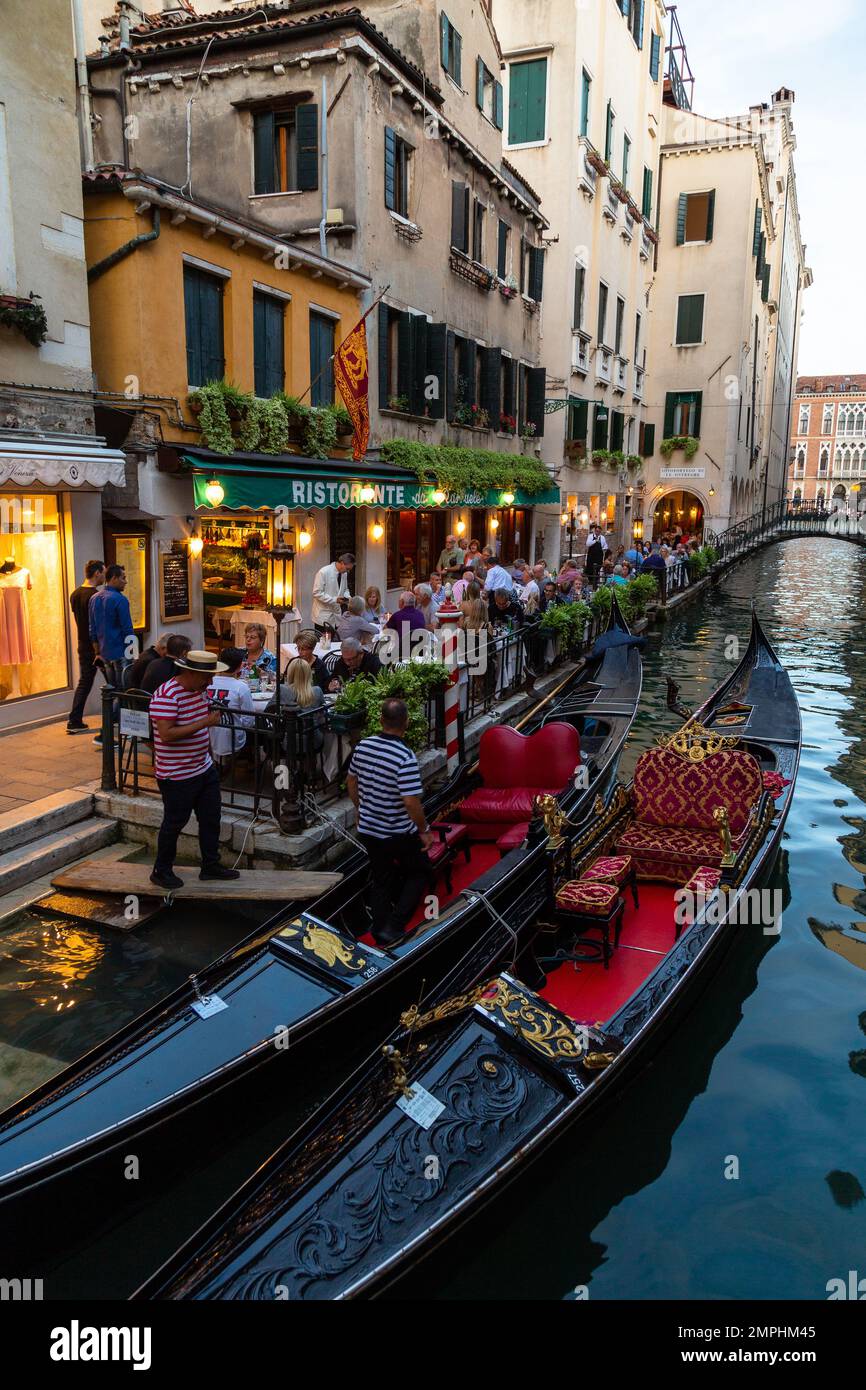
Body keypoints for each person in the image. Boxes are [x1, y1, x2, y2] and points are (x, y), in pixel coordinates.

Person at [148, 649, 240, 889]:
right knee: (174, 822)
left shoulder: (200, 692)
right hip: (176, 774)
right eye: (206, 677)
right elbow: (166, 735)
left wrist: (208, 754)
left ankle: (210, 865)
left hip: (203, 768)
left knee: (211, 818)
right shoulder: (166, 695)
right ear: (190, 672)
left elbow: (200, 731)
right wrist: (205, 723)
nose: (210, 682)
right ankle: (161, 870)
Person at [347, 697, 433, 947]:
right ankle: (394, 926)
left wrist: (359, 808)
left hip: (369, 829)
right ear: (406, 722)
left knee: (381, 877)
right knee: (420, 872)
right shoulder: (404, 757)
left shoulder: (363, 746)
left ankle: (378, 929)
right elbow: (410, 802)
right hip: (397, 832)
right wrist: (424, 830)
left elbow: (351, 781)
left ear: (381, 720)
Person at [89, 564, 134, 746]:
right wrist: (134, 653)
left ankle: (114, 730)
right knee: (122, 692)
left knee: (112, 691)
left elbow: (91, 629)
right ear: (113, 578)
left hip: (105, 652)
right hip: (121, 652)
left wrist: (97, 652)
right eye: (123, 577)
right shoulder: (120, 600)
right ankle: (107, 731)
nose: (125, 581)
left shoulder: (94, 598)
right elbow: (127, 629)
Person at [66, 559, 105, 734]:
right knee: (115, 682)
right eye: (103, 573)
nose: (104, 576)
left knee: (85, 682)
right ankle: (119, 718)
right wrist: (100, 648)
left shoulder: (74, 594)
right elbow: (97, 624)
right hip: (97, 646)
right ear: (97, 573)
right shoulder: (95, 596)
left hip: (82, 643)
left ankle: (74, 720)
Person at [208, 647, 255, 760]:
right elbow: (249, 721)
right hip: (233, 739)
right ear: (239, 666)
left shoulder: (209, 682)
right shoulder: (241, 687)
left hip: (209, 735)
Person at [311, 552, 355, 632]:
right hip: (323, 615)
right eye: (347, 569)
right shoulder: (323, 572)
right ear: (342, 563)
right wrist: (334, 599)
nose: (348, 572)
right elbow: (316, 592)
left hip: (336, 615)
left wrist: (348, 597)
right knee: (323, 642)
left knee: (335, 642)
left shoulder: (344, 574)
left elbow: (345, 589)